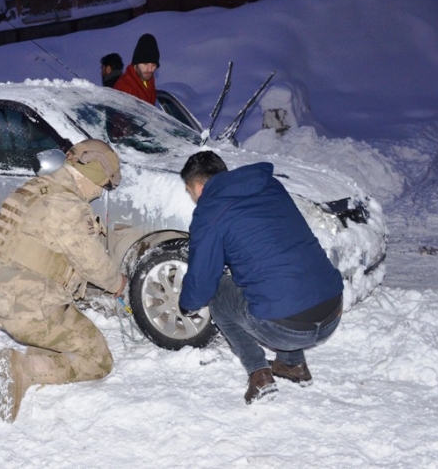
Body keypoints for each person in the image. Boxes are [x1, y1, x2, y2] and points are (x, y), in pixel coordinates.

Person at [178, 151, 344, 404]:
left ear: (198, 187)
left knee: (219, 295)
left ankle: (259, 374)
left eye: (190, 192)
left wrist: (188, 305)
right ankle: (293, 365)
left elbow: (202, 283)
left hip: (288, 328)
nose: (192, 198)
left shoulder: (210, 213)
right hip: (332, 308)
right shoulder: (269, 186)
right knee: (276, 283)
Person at [0, 139, 127, 423]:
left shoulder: (37, 188)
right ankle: (26, 368)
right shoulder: (68, 206)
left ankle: (42, 343)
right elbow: (94, 265)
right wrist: (118, 283)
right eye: (103, 185)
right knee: (99, 360)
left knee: (62, 327)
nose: (99, 193)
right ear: (90, 176)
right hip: (28, 306)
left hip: (0, 294)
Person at [112, 33, 159, 105]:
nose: (150, 69)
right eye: (145, 64)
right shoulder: (125, 88)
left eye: (154, 65)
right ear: (136, 63)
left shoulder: (148, 80)